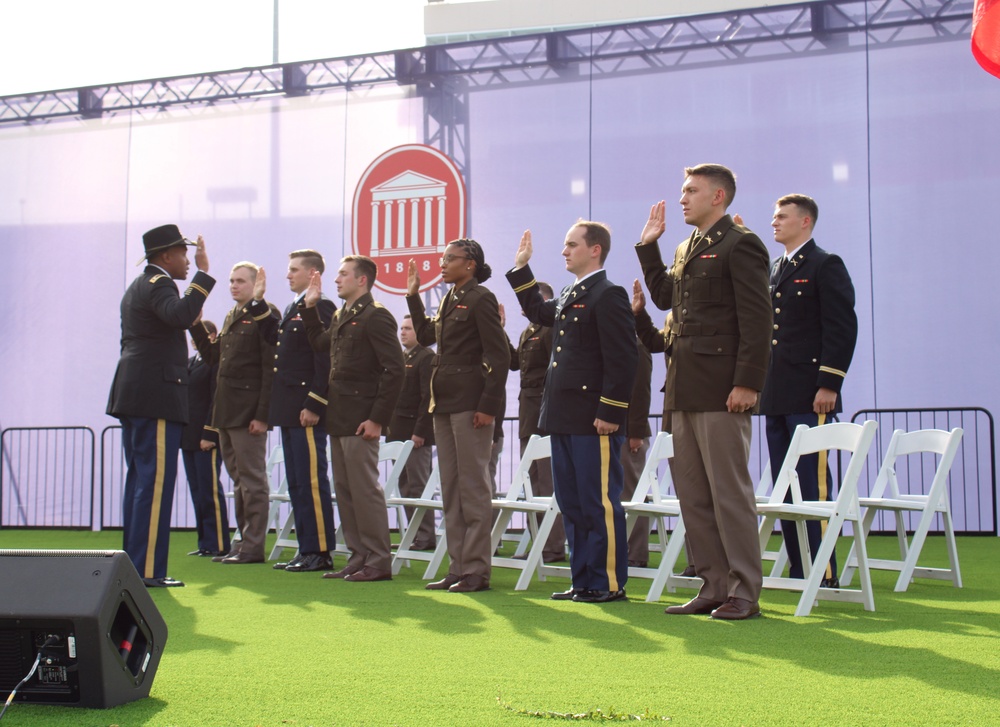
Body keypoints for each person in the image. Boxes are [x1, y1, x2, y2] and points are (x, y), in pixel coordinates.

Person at [636, 163, 772, 620]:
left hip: (721, 389)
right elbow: (663, 298)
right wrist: (649, 247)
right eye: (682, 190)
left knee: (728, 492)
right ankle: (713, 585)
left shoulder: (741, 243)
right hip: (682, 388)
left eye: (691, 190)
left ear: (718, 196)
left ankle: (744, 592)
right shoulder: (683, 247)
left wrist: (747, 381)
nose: (682, 198)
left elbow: (757, 320)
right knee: (693, 494)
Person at [507, 221, 637, 604]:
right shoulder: (570, 293)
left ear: (594, 249)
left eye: (571, 245)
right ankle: (583, 579)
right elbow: (537, 311)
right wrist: (522, 269)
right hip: (563, 415)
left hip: (593, 418)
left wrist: (611, 410)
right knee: (573, 503)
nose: (564, 251)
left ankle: (608, 581)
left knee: (598, 502)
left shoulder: (608, 294)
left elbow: (623, 358)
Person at [758, 194, 858, 587]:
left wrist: (829, 382)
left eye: (782, 217)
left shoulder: (824, 264)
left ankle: (824, 570)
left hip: (810, 392)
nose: (775, 222)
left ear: (805, 222)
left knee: (812, 484)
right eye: (774, 216)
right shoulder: (775, 268)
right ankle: (801, 568)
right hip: (777, 392)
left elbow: (840, 326)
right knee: (786, 486)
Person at [107, 224, 215, 587]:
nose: (187, 261)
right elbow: (181, 316)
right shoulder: (160, 283)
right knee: (153, 485)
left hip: (137, 393)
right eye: (183, 255)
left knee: (140, 481)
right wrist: (203, 276)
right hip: (155, 395)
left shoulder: (140, 285)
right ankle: (147, 570)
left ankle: (134, 567)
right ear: (166, 256)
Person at [406, 239, 510, 593]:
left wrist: (488, 406)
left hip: (470, 405)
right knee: (451, 489)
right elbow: (424, 336)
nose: (443, 263)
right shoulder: (451, 299)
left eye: (450, 258)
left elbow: (500, 356)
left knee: (472, 488)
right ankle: (458, 567)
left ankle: (477, 570)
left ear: (470, 264)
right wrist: (413, 296)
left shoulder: (480, 299)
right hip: (445, 404)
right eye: (442, 258)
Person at [302, 255, 404, 583]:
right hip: (340, 416)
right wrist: (309, 308)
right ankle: (358, 555)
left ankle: (378, 559)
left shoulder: (376, 316)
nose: (337, 279)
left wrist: (377, 419)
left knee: (364, 491)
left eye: (343, 274)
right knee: (345, 492)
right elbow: (320, 343)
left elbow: (394, 369)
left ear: (362, 280)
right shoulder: (340, 314)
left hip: (362, 419)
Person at [249, 251, 338, 573]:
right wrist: (258, 303)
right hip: (289, 408)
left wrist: (315, 402)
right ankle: (306, 548)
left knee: (312, 481)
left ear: (312, 273)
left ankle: (320, 550)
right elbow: (276, 340)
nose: (288, 275)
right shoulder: (293, 307)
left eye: (294, 270)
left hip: (306, 407)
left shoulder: (321, 305)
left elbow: (324, 357)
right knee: (298, 481)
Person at [191, 262, 278, 566]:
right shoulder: (230, 316)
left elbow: (270, 368)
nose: (233, 286)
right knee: (238, 480)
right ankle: (243, 541)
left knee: (252, 481)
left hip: (248, 412)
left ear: (256, 284)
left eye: (240, 281)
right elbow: (216, 360)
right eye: (231, 281)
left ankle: (253, 545)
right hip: (227, 412)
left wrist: (263, 414)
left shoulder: (264, 315)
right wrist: (196, 326)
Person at [507, 283, 567, 563]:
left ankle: (552, 546)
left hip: (544, 414)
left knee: (547, 482)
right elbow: (514, 363)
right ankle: (538, 542)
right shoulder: (527, 331)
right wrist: (497, 329)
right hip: (528, 414)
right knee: (530, 482)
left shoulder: (549, 328)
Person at [181, 319, 230, 558]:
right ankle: (205, 542)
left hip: (205, 435)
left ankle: (219, 542)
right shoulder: (190, 363)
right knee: (197, 490)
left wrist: (209, 432)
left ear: (212, 336)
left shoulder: (213, 364)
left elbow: (215, 399)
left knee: (210, 490)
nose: (195, 341)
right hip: (188, 437)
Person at [387, 315, 437, 551]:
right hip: (399, 432)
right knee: (405, 486)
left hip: (415, 435)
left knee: (418, 485)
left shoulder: (426, 357)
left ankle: (426, 536)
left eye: (408, 328)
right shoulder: (405, 357)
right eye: (402, 328)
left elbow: (428, 398)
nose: (403, 332)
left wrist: (420, 432)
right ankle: (415, 535)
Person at [621, 339, 653, 569]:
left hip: (630, 431)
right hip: (616, 428)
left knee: (633, 493)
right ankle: (626, 549)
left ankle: (637, 553)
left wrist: (637, 432)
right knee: (622, 493)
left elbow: (641, 391)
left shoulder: (637, 345)